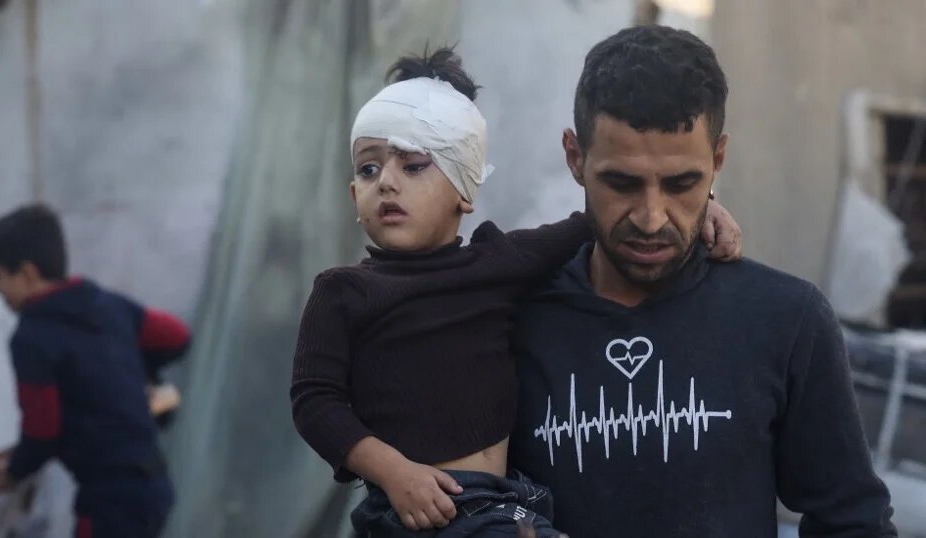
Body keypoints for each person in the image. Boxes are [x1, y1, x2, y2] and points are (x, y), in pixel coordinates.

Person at [290, 47, 742, 536]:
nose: (386, 184)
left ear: (465, 189)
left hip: (505, 500)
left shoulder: (496, 264)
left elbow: (602, 221)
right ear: (355, 195)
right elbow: (315, 401)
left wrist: (700, 207)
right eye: (368, 169)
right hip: (419, 507)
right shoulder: (345, 291)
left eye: (414, 165)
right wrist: (394, 472)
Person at [508, 25, 897, 538]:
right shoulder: (510, 315)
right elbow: (467, 493)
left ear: (717, 160)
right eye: (622, 183)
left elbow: (853, 521)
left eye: (681, 183)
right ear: (575, 157)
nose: (651, 217)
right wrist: (513, 521)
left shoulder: (784, 320)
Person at [0, 203, 190, 538]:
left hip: (108, 503)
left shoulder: (32, 337)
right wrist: (137, 373)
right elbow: (177, 336)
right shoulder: (107, 305)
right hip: (155, 489)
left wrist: (12, 474)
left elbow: (42, 430)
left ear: (28, 274)